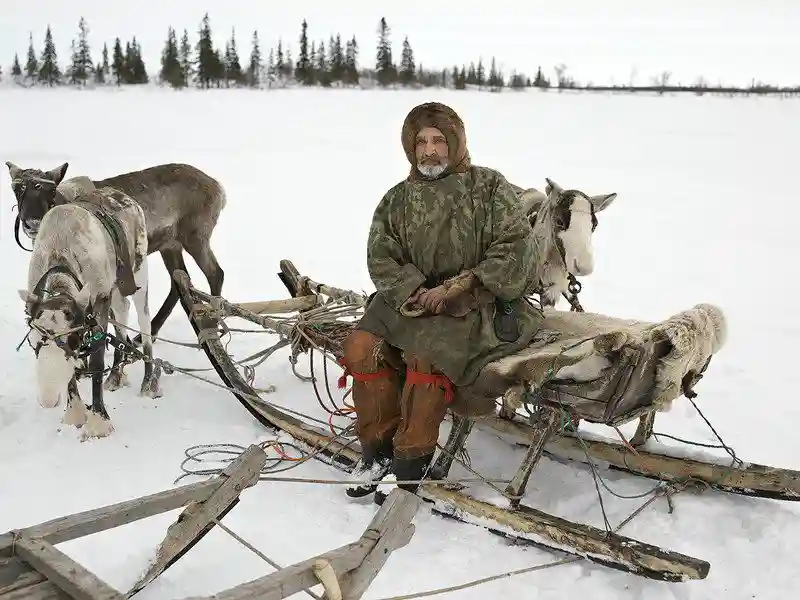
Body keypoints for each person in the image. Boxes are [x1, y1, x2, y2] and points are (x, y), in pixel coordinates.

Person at [339, 101, 544, 500]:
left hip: (475, 304)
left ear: (456, 142)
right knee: (362, 347)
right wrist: (414, 290)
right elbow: (381, 256)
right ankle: (377, 451)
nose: (430, 150)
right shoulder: (397, 199)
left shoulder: (488, 187)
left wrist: (459, 286)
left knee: (427, 356)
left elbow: (518, 248)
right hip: (409, 302)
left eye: (439, 140)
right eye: (421, 142)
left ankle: (410, 461)